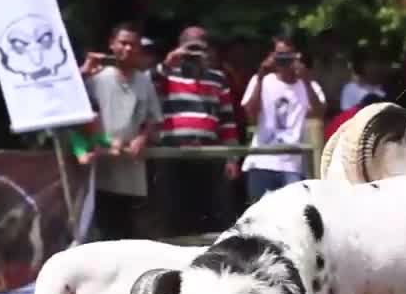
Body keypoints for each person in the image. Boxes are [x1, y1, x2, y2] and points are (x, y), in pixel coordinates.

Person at [149, 25, 240, 237]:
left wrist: (232, 158)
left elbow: (227, 122)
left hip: (208, 154)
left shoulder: (217, 78)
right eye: (189, 48)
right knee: (174, 210)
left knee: (209, 211)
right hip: (173, 153)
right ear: (179, 48)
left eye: (199, 48)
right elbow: (144, 86)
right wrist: (167, 63)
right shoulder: (167, 74)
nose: (194, 53)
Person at [78, 22, 164, 240]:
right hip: (98, 167)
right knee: (100, 232)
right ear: (112, 45)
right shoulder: (95, 78)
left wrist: (142, 139)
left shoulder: (144, 81)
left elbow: (153, 119)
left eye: (133, 45)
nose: (127, 49)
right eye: (123, 43)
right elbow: (75, 121)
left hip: (131, 170)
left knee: (129, 234)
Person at [240, 36, 325, 205]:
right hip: (261, 159)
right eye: (280, 57)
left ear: (297, 57)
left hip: (291, 164)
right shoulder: (262, 81)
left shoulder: (309, 85)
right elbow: (250, 114)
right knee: (258, 216)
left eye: (288, 57)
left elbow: (318, 113)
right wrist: (260, 76)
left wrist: (306, 80)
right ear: (272, 57)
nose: (284, 62)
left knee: (292, 213)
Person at [339, 47, 389, 113]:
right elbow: (346, 116)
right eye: (371, 63)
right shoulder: (351, 89)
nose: (376, 68)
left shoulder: (390, 90)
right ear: (361, 66)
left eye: (380, 62)